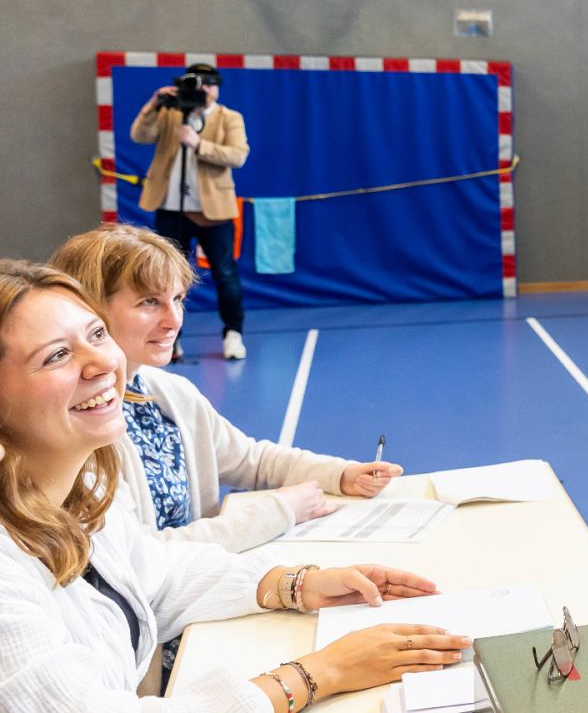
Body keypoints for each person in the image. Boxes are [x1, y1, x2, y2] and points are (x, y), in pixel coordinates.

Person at [0, 258, 469, 710]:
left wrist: (297, 583)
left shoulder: (76, 496)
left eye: (96, 334)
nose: (101, 363)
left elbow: (159, 575)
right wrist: (320, 673)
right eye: (56, 355)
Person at [51, 223, 403, 554]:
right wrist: (280, 511)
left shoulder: (171, 392)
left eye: (178, 299)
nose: (174, 320)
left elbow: (251, 460)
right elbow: (143, 556)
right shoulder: (83, 427)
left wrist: (340, 475)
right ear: (90, 311)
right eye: (149, 302)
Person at [131, 62, 249, 361]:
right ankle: (171, 340)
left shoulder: (229, 117)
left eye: (209, 84)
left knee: (225, 274)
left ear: (217, 88)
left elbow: (238, 155)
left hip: (214, 211)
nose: (203, 89)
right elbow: (140, 135)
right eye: (196, 83)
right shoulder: (170, 113)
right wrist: (154, 104)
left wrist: (199, 145)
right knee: (166, 279)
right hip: (172, 209)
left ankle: (233, 333)